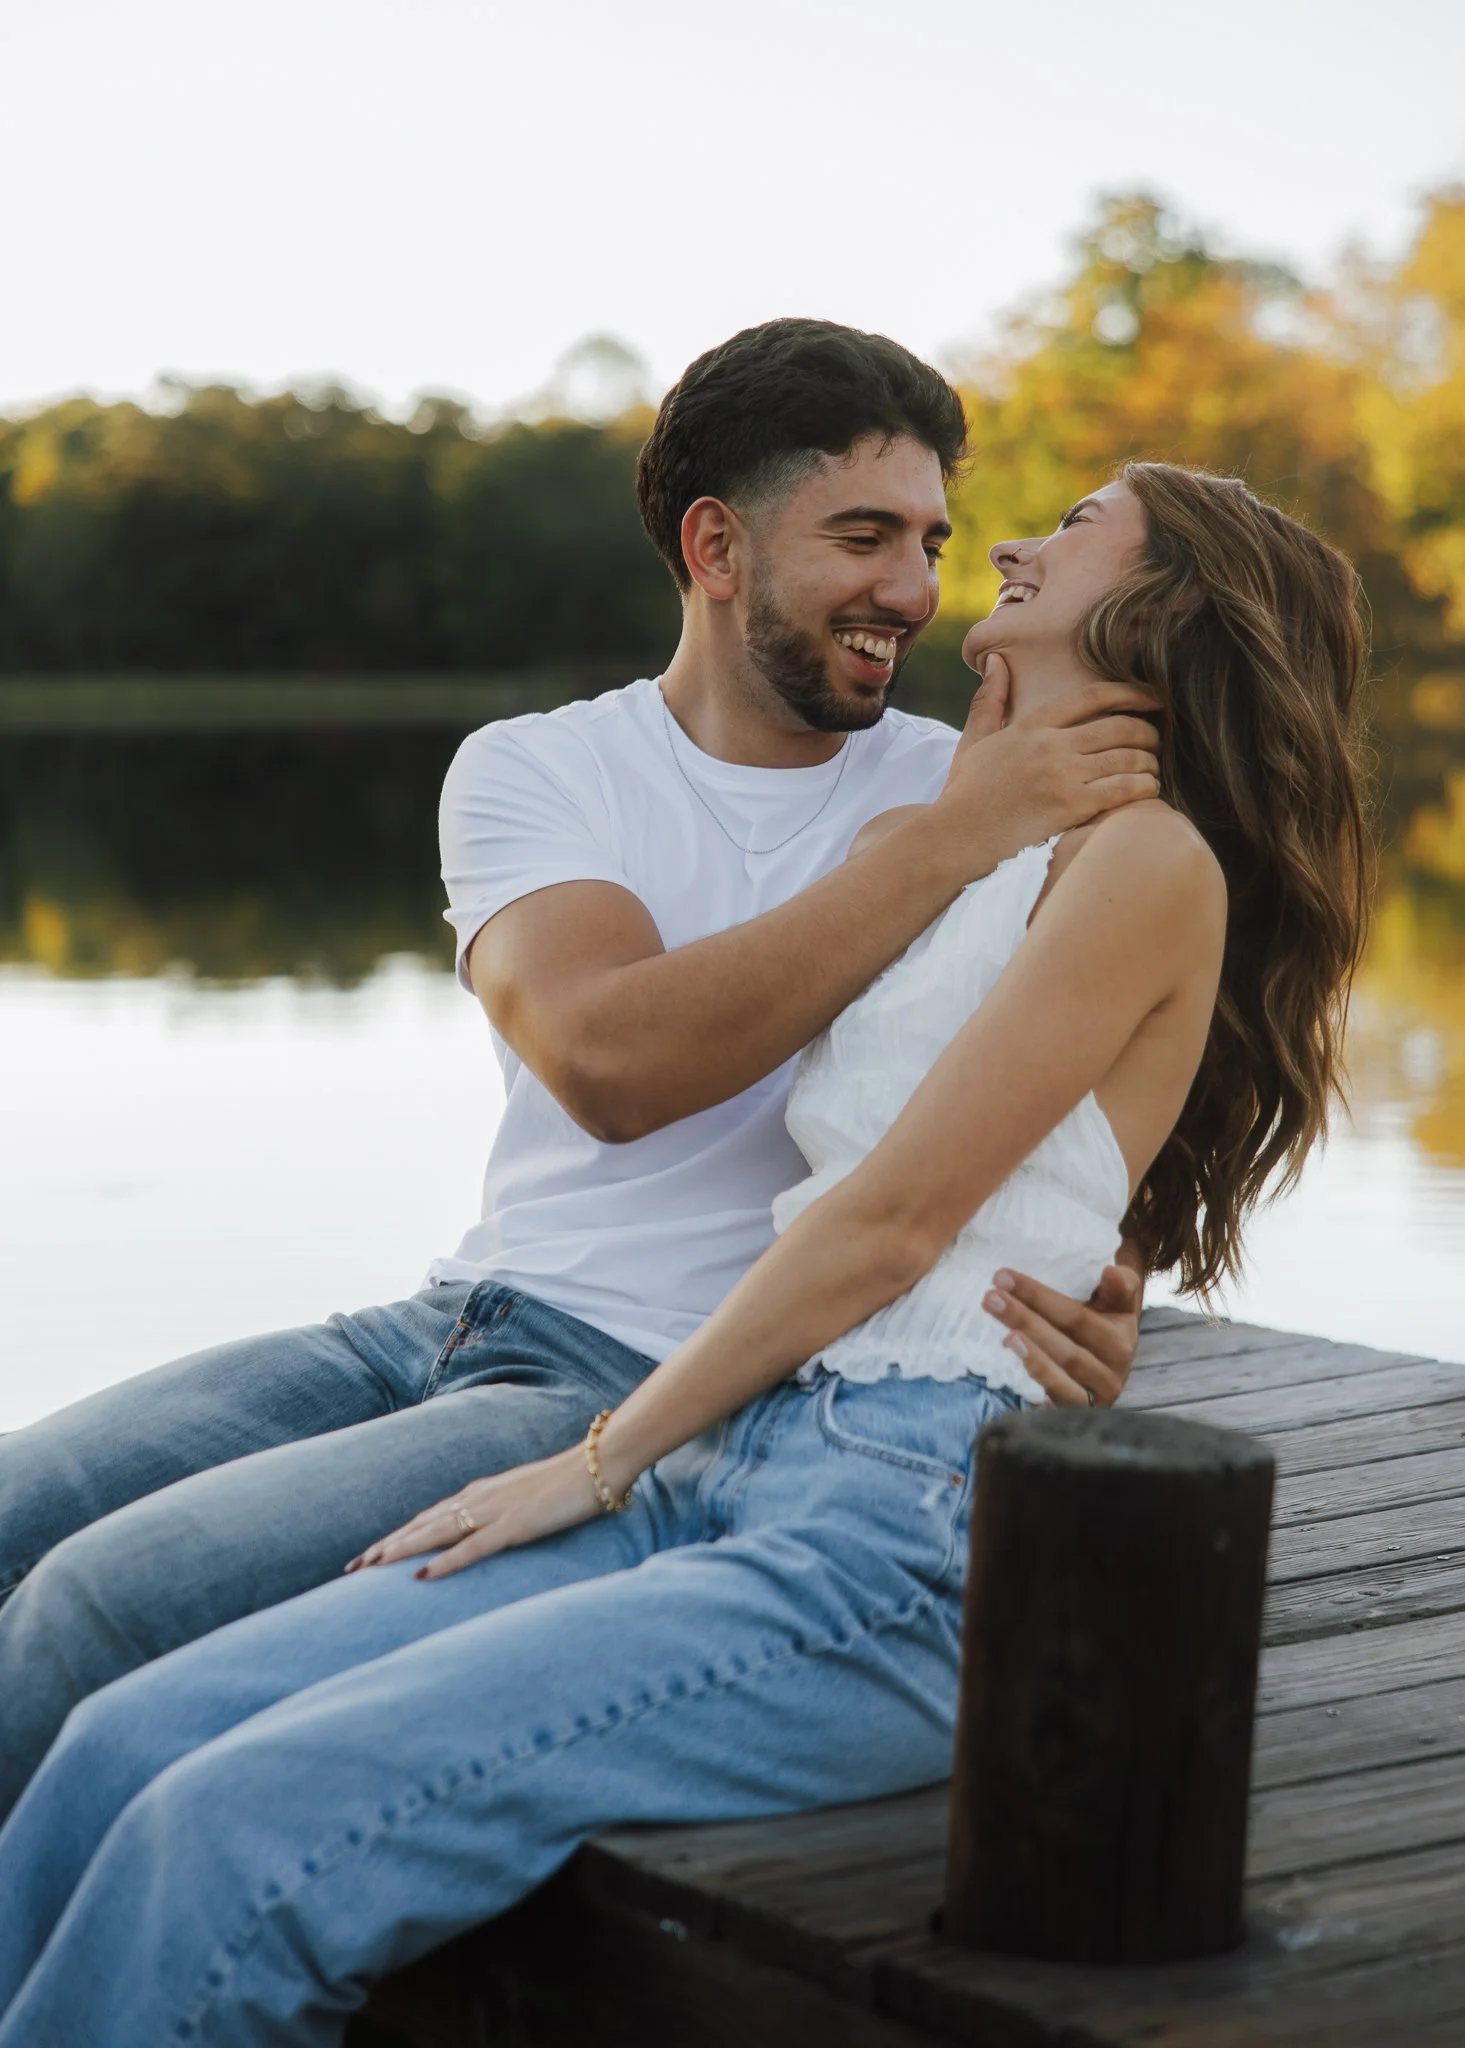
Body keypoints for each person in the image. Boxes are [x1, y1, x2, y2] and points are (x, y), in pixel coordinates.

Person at [0, 462, 1370, 2048]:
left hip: (889, 1520)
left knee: (225, 1826)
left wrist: (598, 1457)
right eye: (884, 536)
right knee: (129, 1739)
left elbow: (899, 1220)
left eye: (1064, 529)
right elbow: (946, 1159)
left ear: (1163, 607)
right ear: (716, 549)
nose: (982, 554)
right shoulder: (960, 821)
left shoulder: (1149, 863)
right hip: (734, 1439)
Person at [0, 320, 1161, 1819]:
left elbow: (1097, 1067)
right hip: (448, 1319)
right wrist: (943, 847)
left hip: (649, 1378)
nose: (914, 590)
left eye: (932, 539)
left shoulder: (978, 780)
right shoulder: (539, 768)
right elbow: (612, 1060)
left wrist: (1095, 1273)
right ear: (716, 547)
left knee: (99, 1607)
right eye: (863, 535)